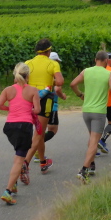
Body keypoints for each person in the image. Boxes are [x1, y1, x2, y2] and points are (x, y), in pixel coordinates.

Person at [70, 51, 111, 182]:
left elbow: (73, 84)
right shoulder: (109, 74)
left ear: (95, 59)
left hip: (86, 110)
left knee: (92, 138)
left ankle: (91, 165)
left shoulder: (86, 71)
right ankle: (84, 170)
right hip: (99, 112)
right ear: (106, 61)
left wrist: (80, 95)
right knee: (94, 141)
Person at [0, 63, 40, 204]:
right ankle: (7, 191)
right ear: (28, 76)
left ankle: (13, 184)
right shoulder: (33, 90)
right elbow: (37, 110)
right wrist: (29, 110)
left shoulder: (8, 90)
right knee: (19, 159)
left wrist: (11, 109)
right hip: (24, 126)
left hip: (10, 126)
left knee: (18, 155)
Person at [24, 38, 66, 175]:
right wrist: (49, 81)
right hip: (45, 100)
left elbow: (18, 80)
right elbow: (60, 81)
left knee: (40, 134)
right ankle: (25, 163)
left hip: (29, 99)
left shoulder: (27, 63)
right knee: (39, 133)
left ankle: (43, 162)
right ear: (49, 51)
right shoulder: (53, 63)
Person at [97, 52, 111, 154]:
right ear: (108, 60)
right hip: (108, 101)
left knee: (95, 127)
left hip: (96, 102)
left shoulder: (94, 70)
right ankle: (102, 140)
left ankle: (94, 150)